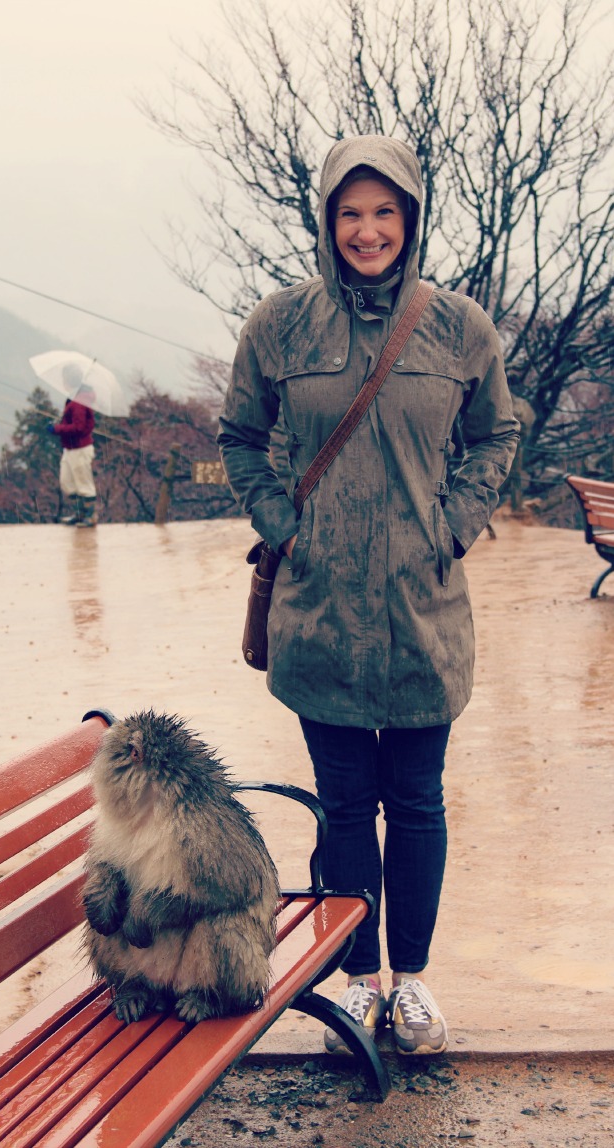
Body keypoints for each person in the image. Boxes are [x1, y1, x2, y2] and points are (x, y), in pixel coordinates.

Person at [217, 136, 519, 1056]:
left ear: (410, 219)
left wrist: (454, 525)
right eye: (349, 212)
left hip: (424, 610)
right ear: (325, 220)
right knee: (345, 803)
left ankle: (411, 980)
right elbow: (239, 436)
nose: (366, 230)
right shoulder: (280, 325)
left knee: (417, 800)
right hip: (320, 611)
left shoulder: (457, 327)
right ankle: (355, 981)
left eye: (384, 211)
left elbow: (496, 432)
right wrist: (282, 525)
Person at [47, 369, 98, 527]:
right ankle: (80, 513)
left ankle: (90, 515)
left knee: (83, 482)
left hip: (80, 448)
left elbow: (79, 428)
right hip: (70, 448)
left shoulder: (79, 402)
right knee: (67, 482)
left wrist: (57, 429)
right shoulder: (74, 398)